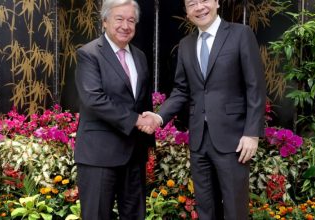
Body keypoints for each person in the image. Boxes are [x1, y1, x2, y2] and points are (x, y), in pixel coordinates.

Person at [141, 0, 266, 219]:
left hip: (234, 140)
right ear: (187, 12)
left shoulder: (240, 34)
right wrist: (159, 116)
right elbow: (181, 90)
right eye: (192, 4)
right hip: (199, 141)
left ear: (217, 2)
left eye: (204, 0)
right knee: (206, 209)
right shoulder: (186, 45)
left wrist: (252, 133)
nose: (199, 7)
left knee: (235, 210)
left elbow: (255, 87)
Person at [74, 0, 158, 219]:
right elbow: (94, 99)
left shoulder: (139, 56)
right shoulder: (89, 54)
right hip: (99, 155)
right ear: (104, 21)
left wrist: (148, 136)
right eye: (119, 19)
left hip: (134, 154)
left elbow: (142, 101)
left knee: (135, 215)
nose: (125, 25)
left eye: (131, 20)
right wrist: (137, 121)